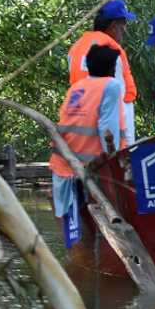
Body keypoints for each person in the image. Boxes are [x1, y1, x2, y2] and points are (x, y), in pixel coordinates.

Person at [49, 44, 124, 222]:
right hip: (87, 168)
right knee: (97, 220)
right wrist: (112, 161)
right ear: (111, 67)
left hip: (61, 164)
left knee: (73, 226)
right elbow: (107, 125)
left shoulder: (77, 87)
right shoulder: (111, 85)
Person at [67, 0, 137, 145]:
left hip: (80, 134)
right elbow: (120, 103)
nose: (125, 30)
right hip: (107, 139)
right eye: (123, 24)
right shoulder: (111, 53)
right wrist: (128, 148)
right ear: (113, 26)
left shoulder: (76, 49)